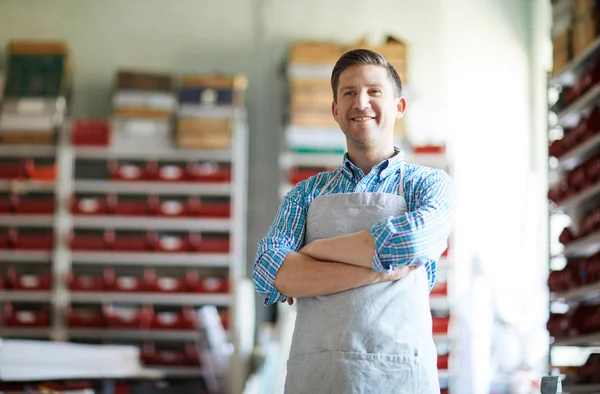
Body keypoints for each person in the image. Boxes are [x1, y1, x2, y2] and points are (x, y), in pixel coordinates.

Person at [253, 48, 457, 394]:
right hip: (318, 379)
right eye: (349, 93)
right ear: (335, 110)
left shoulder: (428, 184)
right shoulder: (305, 193)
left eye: (374, 91)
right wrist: (379, 271)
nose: (360, 102)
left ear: (399, 107)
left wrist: (315, 251)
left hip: (400, 377)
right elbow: (269, 273)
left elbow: (409, 243)